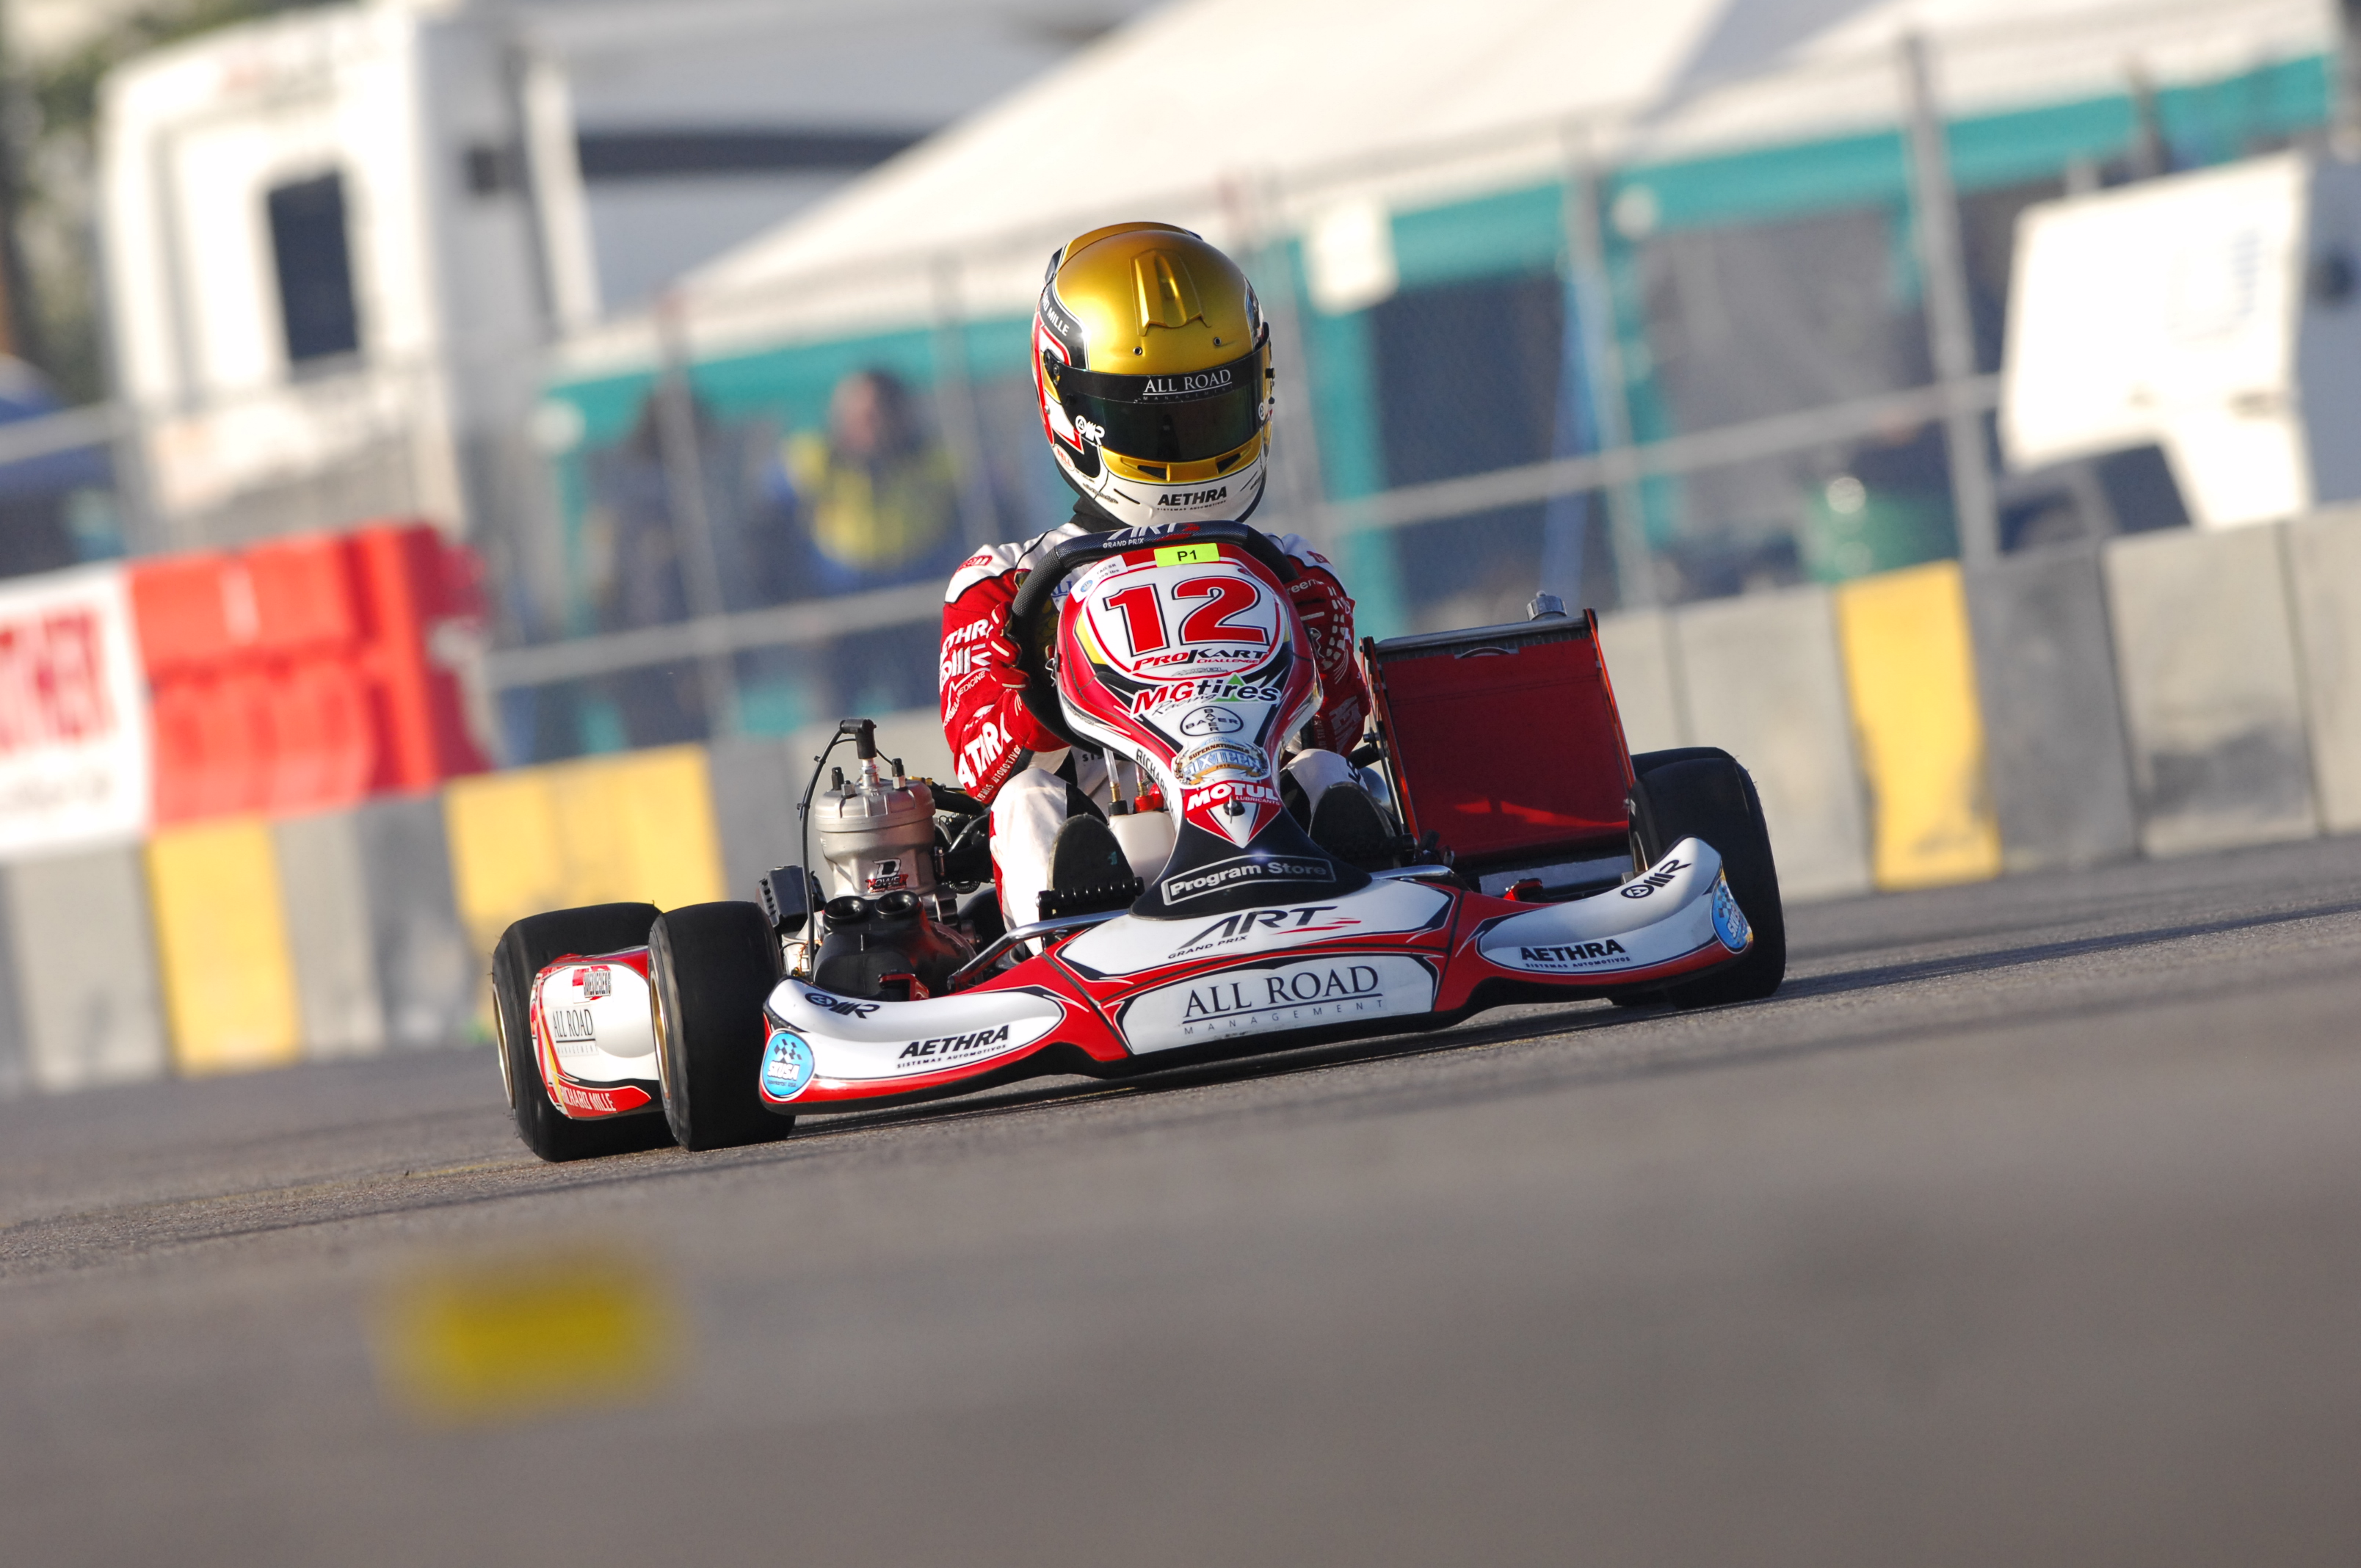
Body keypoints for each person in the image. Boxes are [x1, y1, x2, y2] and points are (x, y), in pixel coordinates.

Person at [937, 221, 1377, 929]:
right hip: (1113, 859)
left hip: (1275, 835)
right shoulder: (1005, 585)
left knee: (1322, 774)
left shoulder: (1290, 565)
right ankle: (1066, 950)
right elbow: (982, 770)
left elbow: (1342, 734)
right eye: (1156, 423)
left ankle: (1366, 899)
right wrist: (1031, 691)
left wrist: (1327, 668)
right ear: (1073, 410)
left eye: (1206, 413)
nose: (1183, 446)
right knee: (1026, 803)